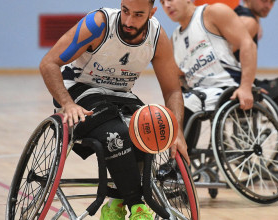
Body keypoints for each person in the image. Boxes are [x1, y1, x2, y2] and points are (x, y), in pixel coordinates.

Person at [39, 0, 190, 219]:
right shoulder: (98, 24)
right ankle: (138, 207)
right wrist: (67, 104)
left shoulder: (157, 37)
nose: (128, 21)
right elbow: (48, 63)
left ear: (152, 12)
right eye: (125, 11)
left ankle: (115, 205)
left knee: (147, 129)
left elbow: (173, 91)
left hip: (119, 95)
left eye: (138, 15)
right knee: (117, 132)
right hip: (80, 90)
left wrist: (177, 131)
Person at [159, 0, 258, 153]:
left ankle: (180, 165)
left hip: (229, 87)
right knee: (168, 110)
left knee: (186, 103)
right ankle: (181, 162)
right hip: (201, 94)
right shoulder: (175, 39)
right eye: (162, 2)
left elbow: (247, 44)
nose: (167, 5)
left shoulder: (212, 13)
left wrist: (245, 87)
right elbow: (179, 78)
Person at [234, 0, 278, 163]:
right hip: (238, 84)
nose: (268, 6)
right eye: (264, 1)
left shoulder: (244, 16)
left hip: (240, 80)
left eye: (272, 2)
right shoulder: (247, 22)